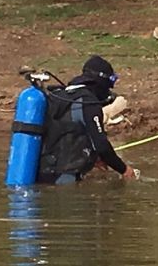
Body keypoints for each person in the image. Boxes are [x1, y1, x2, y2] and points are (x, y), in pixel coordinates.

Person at [38, 55, 138, 184]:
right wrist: (125, 170)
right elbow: (102, 147)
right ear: (102, 81)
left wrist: (94, 158)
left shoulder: (60, 96)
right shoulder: (88, 102)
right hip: (63, 178)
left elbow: (66, 133)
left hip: (41, 172)